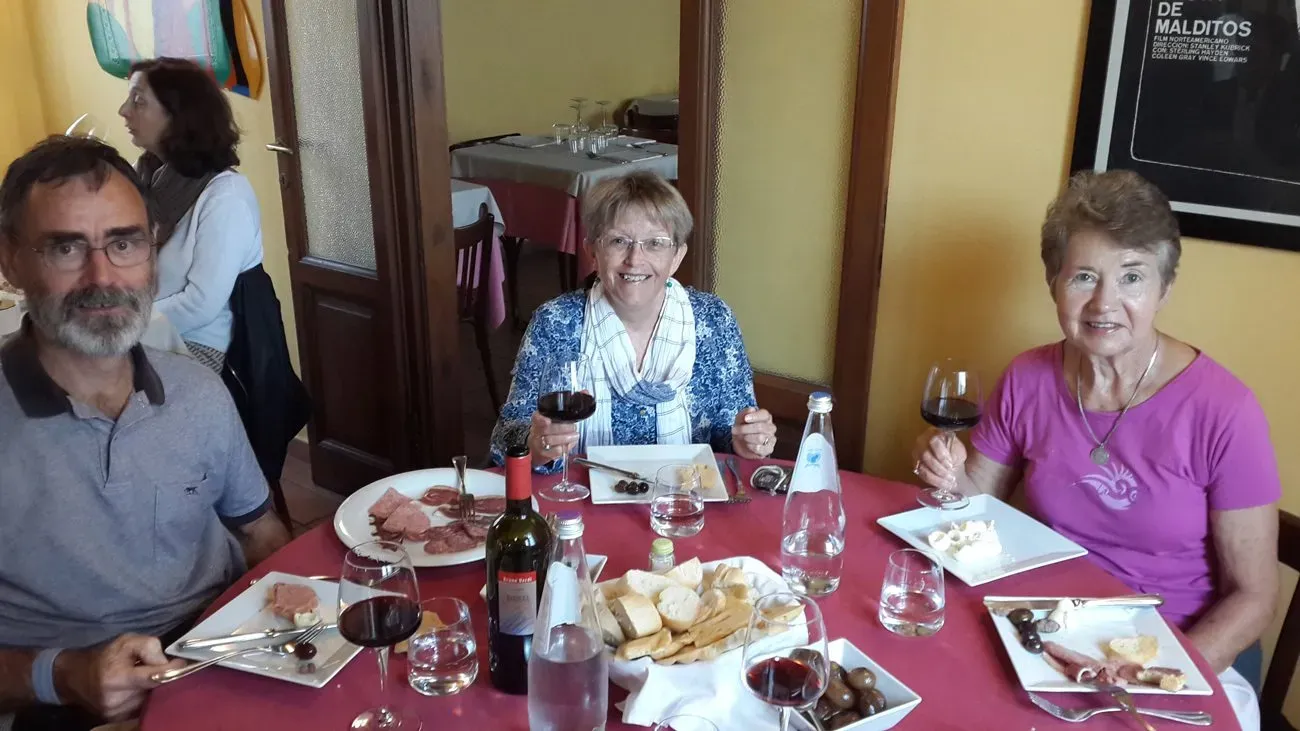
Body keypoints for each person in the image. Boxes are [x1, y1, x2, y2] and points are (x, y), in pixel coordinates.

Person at [913, 170, 1277, 731]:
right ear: (1053, 284)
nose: (1105, 302)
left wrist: (1155, 672)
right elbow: (973, 511)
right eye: (1084, 276)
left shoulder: (1225, 411)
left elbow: (1254, 595)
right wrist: (948, 476)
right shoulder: (1028, 377)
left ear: (1164, 289)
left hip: (1169, 649)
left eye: (1132, 276)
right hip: (1039, 629)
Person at [0, 136, 290, 731]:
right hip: (64, 703)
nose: (102, 276)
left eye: (124, 242)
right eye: (66, 248)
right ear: (10, 260)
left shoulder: (199, 393)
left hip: (220, 659)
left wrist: (294, 628)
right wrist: (63, 675)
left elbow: (261, 532)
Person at [490, 172, 776, 469]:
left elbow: (732, 431)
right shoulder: (556, 322)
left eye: (655, 243)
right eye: (619, 241)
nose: (634, 259)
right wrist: (536, 444)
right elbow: (505, 438)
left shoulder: (714, 321)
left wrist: (748, 441)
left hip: (685, 500)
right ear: (592, 251)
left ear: (677, 256)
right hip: (580, 499)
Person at [119, 57, 263, 373]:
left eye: (138, 101)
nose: (124, 111)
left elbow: (200, 304)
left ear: (179, 115)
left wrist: (123, 329)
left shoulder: (226, 196)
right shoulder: (144, 177)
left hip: (194, 343)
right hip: (141, 329)